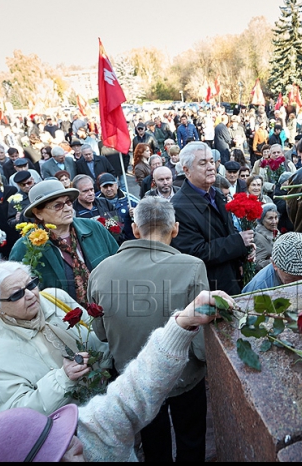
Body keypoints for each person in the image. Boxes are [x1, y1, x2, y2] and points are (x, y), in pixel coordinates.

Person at [0, 289, 226, 462]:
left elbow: (131, 395)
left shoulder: (87, 437)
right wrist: (61, 379)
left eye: (65, 437)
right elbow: (11, 403)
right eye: (59, 453)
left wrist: (180, 325)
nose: (77, 446)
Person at [88, 197, 209, 461]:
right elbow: (201, 334)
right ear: (175, 228)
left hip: (135, 378)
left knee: (154, 446)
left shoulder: (100, 271)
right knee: (191, 439)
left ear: (135, 229)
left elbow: (101, 332)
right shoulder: (192, 266)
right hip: (184, 375)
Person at [0, 261, 108, 414]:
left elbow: (96, 336)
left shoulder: (56, 298)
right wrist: (63, 379)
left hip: (108, 397)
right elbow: (15, 413)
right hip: (70, 427)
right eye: (17, 294)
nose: (31, 295)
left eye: (31, 284)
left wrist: (107, 368)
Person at [9, 180, 118, 302]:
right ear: (38, 214)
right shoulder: (25, 246)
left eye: (68, 202)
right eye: (58, 205)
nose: (67, 209)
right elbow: (21, 294)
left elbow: (119, 264)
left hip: (109, 306)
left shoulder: (93, 228)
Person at [170, 142, 254, 295]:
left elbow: (227, 230)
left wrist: (243, 252)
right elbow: (195, 252)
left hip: (231, 278)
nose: (210, 167)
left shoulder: (217, 193)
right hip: (209, 289)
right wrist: (238, 242)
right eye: (202, 163)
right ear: (186, 170)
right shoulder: (179, 207)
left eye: (211, 161)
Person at [96, 173, 137, 242]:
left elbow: (144, 210)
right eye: (105, 186)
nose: (109, 189)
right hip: (109, 243)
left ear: (116, 185)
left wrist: (136, 212)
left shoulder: (129, 199)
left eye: (111, 185)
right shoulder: (96, 202)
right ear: (101, 188)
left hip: (130, 240)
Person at [254, 203, 279, 272]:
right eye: (270, 218)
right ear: (262, 220)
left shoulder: (275, 233)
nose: (274, 221)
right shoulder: (258, 238)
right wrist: (276, 261)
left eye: (276, 217)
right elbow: (257, 264)